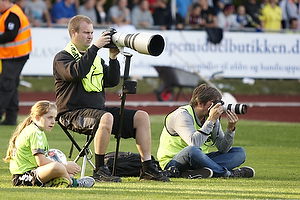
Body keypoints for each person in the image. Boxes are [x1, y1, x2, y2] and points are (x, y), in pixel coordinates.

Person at [52, 15, 169, 182]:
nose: (91, 36)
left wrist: (113, 58)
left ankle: (147, 168)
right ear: (73, 33)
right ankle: (100, 170)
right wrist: (95, 48)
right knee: (106, 117)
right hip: (71, 114)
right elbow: (76, 72)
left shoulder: (95, 59)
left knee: (141, 117)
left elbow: (112, 81)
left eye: (92, 32)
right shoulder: (62, 57)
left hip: (97, 112)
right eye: (86, 33)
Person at [157, 84, 255, 178]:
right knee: (192, 150)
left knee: (239, 153)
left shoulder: (210, 117)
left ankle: (194, 172)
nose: (218, 107)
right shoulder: (182, 115)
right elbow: (194, 143)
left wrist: (230, 129)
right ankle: (228, 173)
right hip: (173, 162)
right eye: (214, 103)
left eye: (220, 103)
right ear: (200, 103)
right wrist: (211, 120)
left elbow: (223, 149)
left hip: (199, 159)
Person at [3, 100, 95, 187]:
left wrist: (65, 166)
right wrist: (65, 166)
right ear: (37, 117)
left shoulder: (36, 130)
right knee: (58, 167)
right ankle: (75, 183)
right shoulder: (34, 132)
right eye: (49, 117)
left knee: (63, 169)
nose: (53, 122)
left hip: (32, 173)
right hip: (23, 177)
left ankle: (58, 181)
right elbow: (41, 161)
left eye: (54, 118)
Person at [0, 0, 32, 125]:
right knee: (11, 85)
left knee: (6, 84)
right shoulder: (10, 12)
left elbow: (10, 35)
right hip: (14, 55)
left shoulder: (12, 14)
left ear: (5, 1)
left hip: (15, 55)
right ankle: (11, 118)